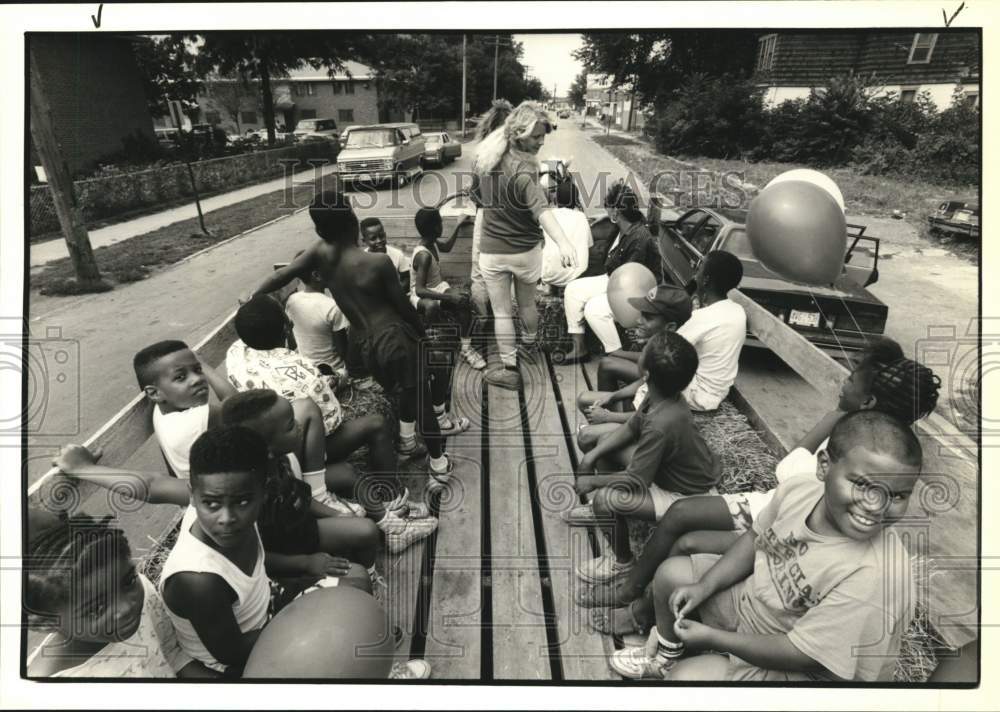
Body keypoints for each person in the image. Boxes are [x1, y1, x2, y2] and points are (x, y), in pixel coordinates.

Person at [578, 345, 939, 638]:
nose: (841, 382)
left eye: (851, 379)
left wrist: (834, 415)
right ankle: (637, 591)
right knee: (679, 515)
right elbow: (788, 480)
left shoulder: (861, 447)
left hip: (788, 524)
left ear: (868, 402)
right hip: (776, 504)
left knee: (687, 539)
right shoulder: (860, 428)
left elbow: (788, 470)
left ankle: (643, 611)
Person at [610, 410, 922, 682]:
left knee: (686, 681)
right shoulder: (800, 490)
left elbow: (805, 655)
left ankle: (690, 660)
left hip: (803, 661)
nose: (875, 505)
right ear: (824, 466)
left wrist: (715, 637)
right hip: (758, 604)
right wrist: (704, 586)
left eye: (897, 495)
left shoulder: (873, 574)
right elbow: (754, 538)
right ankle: (666, 654)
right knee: (671, 575)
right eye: (862, 484)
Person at [248, 191, 463, 494]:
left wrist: (252, 299)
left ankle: (405, 443)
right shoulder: (376, 263)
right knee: (422, 400)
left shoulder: (319, 252)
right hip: (394, 339)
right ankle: (439, 466)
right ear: (352, 220)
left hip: (365, 346)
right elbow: (403, 307)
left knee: (404, 390)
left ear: (320, 228)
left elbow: (282, 275)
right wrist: (423, 336)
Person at [571, 331, 721, 585]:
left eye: (645, 352)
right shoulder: (659, 395)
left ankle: (622, 563)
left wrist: (594, 483)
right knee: (602, 443)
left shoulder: (661, 425)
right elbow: (631, 427)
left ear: (646, 374)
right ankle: (607, 514)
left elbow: (636, 481)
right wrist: (591, 457)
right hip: (666, 475)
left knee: (605, 500)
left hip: (685, 496)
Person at [222, 389, 434, 555]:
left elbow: (301, 495)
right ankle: (388, 534)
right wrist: (338, 515)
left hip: (299, 506)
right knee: (362, 526)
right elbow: (298, 513)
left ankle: (391, 521)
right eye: (289, 426)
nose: (298, 426)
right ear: (267, 448)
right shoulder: (264, 492)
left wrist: (339, 513)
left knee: (346, 472)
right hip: (298, 535)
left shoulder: (279, 462)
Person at [25, 513, 219, 678]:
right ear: (45, 622)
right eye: (96, 609)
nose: (126, 607)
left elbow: (172, 655)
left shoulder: (142, 592)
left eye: (128, 582)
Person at [474, 100, 579, 390]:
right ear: (520, 133)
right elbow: (541, 210)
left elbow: (479, 197)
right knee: (527, 303)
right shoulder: (524, 171)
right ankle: (530, 347)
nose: (541, 142)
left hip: (492, 252)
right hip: (525, 252)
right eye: (536, 136)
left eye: (544, 136)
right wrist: (564, 241)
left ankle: (509, 369)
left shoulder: (486, 158)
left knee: (502, 313)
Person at [560, 181, 661, 364]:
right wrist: (603, 217)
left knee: (594, 309)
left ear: (616, 212)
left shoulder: (639, 239)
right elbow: (615, 219)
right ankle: (579, 348)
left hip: (634, 293)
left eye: (608, 209)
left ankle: (617, 354)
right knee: (573, 290)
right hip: (615, 279)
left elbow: (629, 283)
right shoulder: (623, 226)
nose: (606, 211)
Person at [574, 285, 693, 428]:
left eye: (647, 317)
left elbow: (653, 416)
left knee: (586, 432)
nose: (638, 321)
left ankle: (605, 431)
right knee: (585, 400)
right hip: (637, 406)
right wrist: (612, 396)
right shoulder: (665, 347)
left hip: (641, 423)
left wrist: (609, 417)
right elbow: (644, 382)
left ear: (670, 327)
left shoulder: (673, 363)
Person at [227, 295, 346, 435]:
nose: (292, 323)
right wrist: (333, 384)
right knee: (375, 423)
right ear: (286, 329)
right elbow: (331, 424)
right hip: (298, 443)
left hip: (262, 431)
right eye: (286, 317)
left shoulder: (235, 351)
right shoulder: (308, 375)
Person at [133, 340, 237, 479]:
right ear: (154, 393)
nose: (197, 379)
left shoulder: (160, 412)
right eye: (180, 377)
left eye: (197, 370)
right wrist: (201, 363)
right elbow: (236, 403)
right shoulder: (202, 417)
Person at [410, 206, 486, 370]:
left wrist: (458, 225)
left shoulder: (431, 240)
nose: (442, 225)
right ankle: (433, 345)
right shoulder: (423, 255)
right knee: (431, 306)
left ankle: (465, 347)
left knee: (463, 300)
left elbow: (446, 247)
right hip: (421, 295)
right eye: (441, 222)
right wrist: (449, 297)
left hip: (437, 287)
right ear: (436, 227)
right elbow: (419, 290)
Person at [674, 251, 746, 412]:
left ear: (706, 280)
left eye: (699, 269)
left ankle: (618, 418)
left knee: (617, 364)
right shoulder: (737, 310)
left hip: (697, 394)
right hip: (717, 393)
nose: (695, 273)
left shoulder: (703, 317)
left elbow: (666, 349)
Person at [468, 99, 514, 319]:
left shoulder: (480, 155)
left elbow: (473, 193)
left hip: (485, 215)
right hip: (512, 217)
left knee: (479, 275)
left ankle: (481, 321)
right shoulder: (518, 155)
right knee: (511, 272)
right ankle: (507, 322)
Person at [284, 259, 350, 377]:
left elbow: (293, 336)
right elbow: (343, 351)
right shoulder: (332, 307)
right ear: (316, 275)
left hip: (306, 368)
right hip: (333, 371)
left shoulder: (291, 300)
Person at [539, 175, 592, 289]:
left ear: (556, 199)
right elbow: (589, 245)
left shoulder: (549, 216)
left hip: (548, 275)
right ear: (576, 201)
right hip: (577, 276)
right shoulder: (582, 217)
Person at [360, 217, 410, 294]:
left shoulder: (397, 254)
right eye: (373, 239)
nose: (379, 241)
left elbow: (406, 279)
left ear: (385, 234)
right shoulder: (361, 259)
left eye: (381, 236)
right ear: (364, 241)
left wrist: (394, 294)